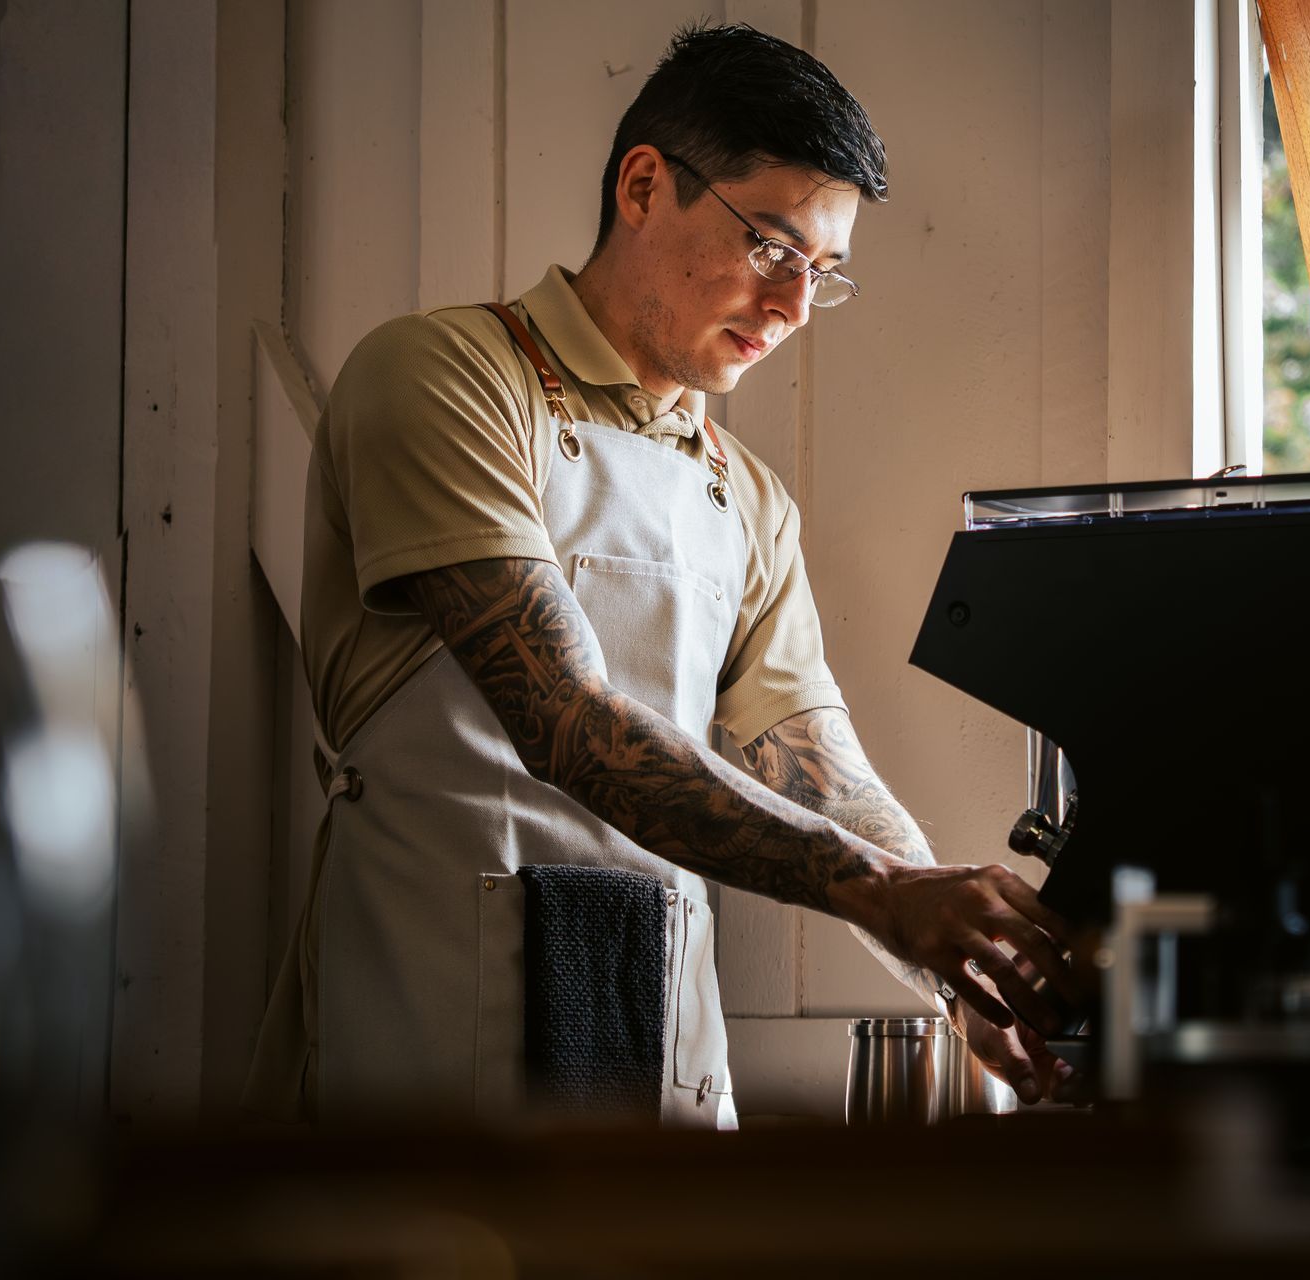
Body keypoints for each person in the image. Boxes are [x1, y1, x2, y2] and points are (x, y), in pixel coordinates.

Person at [244, 22, 1074, 1128]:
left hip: (658, 1041)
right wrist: (883, 891)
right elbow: (564, 718)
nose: (790, 310)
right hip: (428, 1029)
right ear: (645, 184)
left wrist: (962, 972)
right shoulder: (445, 376)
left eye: (821, 276)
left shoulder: (748, 495)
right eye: (774, 248)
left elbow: (820, 772)